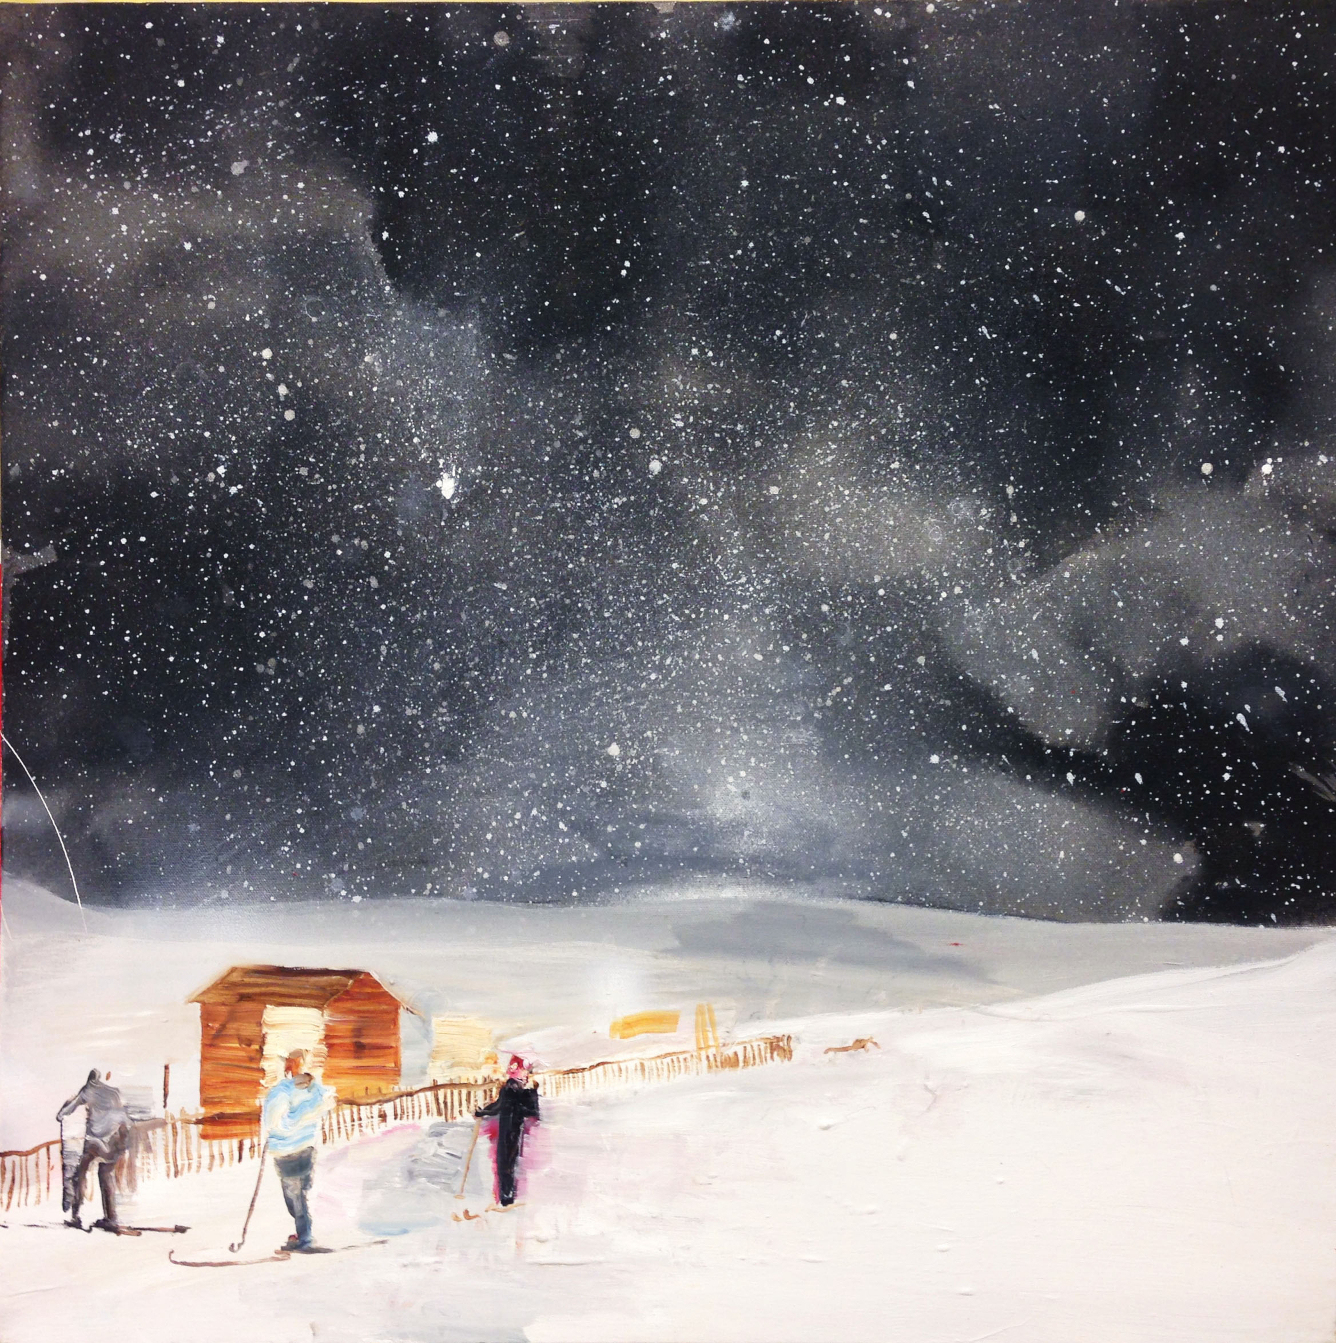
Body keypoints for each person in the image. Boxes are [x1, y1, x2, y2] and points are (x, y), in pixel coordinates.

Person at [261, 1050, 333, 1252]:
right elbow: (275, 1122)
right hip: (286, 1150)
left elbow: (328, 1102)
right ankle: (304, 1236)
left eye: (303, 1064)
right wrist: (308, 1112)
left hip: (304, 1148)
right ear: (288, 1067)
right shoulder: (281, 1092)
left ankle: (304, 1237)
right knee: (295, 1198)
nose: (301, 1069)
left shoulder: (314, 1088)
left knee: (301, 1194)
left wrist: (316, 1106)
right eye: (295, 1064)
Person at [56, 1069, 131, 1232]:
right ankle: (111, 1218)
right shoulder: (114, 1093)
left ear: (90, 1080)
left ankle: (76, 1217)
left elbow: (70, 1108)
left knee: (80, 1175)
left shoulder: (89, 1089)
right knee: (106, 1176)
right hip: (113, 1141)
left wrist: (60, 1115)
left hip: (94, 1141)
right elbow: (125, 1119)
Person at [474, 1055, 540, 1208]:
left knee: (506, 1161)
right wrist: (483, 1111)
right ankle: (507, 1195)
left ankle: (507, 1196)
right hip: (513, 1127)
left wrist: (483, 1112)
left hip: (510, 1128)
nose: (527, 1074)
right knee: (508, 1161)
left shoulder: (517, 1087)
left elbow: (501, 1107)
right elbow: (501, 1105)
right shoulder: (515, 1087)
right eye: (526, 1071)